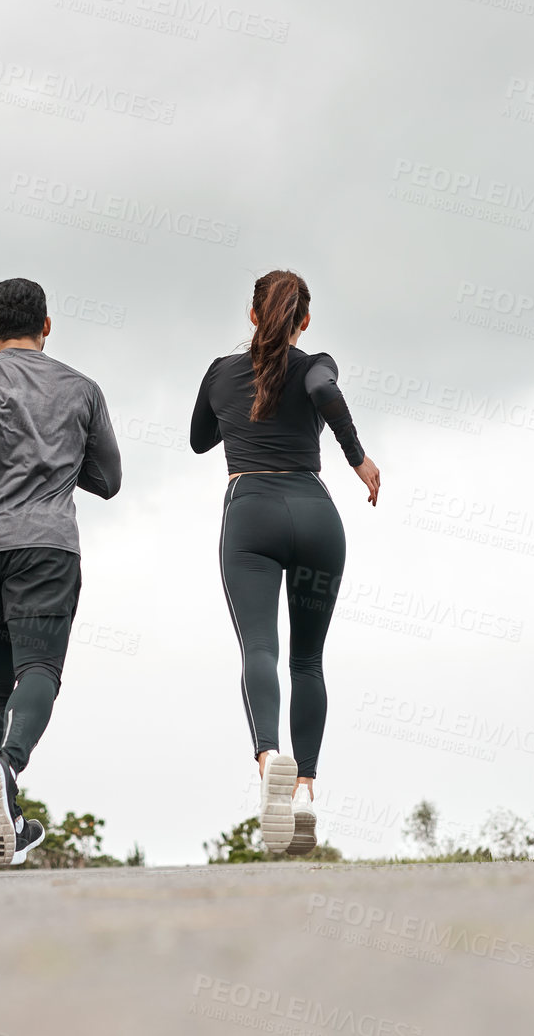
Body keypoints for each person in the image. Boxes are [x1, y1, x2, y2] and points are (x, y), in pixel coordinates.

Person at [0, 277, 122, 868]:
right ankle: (7, 764)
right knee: (39, 669)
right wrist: (60, 462)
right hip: (46, 546)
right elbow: (109, 480)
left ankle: (6, 819)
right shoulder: (82, 389)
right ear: (48, 325)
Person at [191, 270, 380, 857]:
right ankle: (304, 792)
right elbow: (324, 389)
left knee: (260, 649)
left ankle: (270, 755)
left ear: (252, 316)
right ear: (304, 321)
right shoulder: (316, 363)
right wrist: (359, 458)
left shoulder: (222, 372)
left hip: (252, 512)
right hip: (318, 515)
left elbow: (199, 440)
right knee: (309, 660)